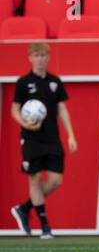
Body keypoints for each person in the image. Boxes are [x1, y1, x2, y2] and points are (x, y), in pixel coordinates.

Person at [11, 43, 78, 239]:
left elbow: (62, 109)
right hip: (31, 138)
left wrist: (71, 134)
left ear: (48, 58)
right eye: (36, 55)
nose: (40, 59)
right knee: (35, 179)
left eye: (43, 56)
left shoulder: (55, 82)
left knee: (56, 180)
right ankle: (45, 226)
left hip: (52, 138)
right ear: (30, 58)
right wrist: (25, 123)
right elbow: (14, 109)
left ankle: (24, 209)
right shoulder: (23, 82)